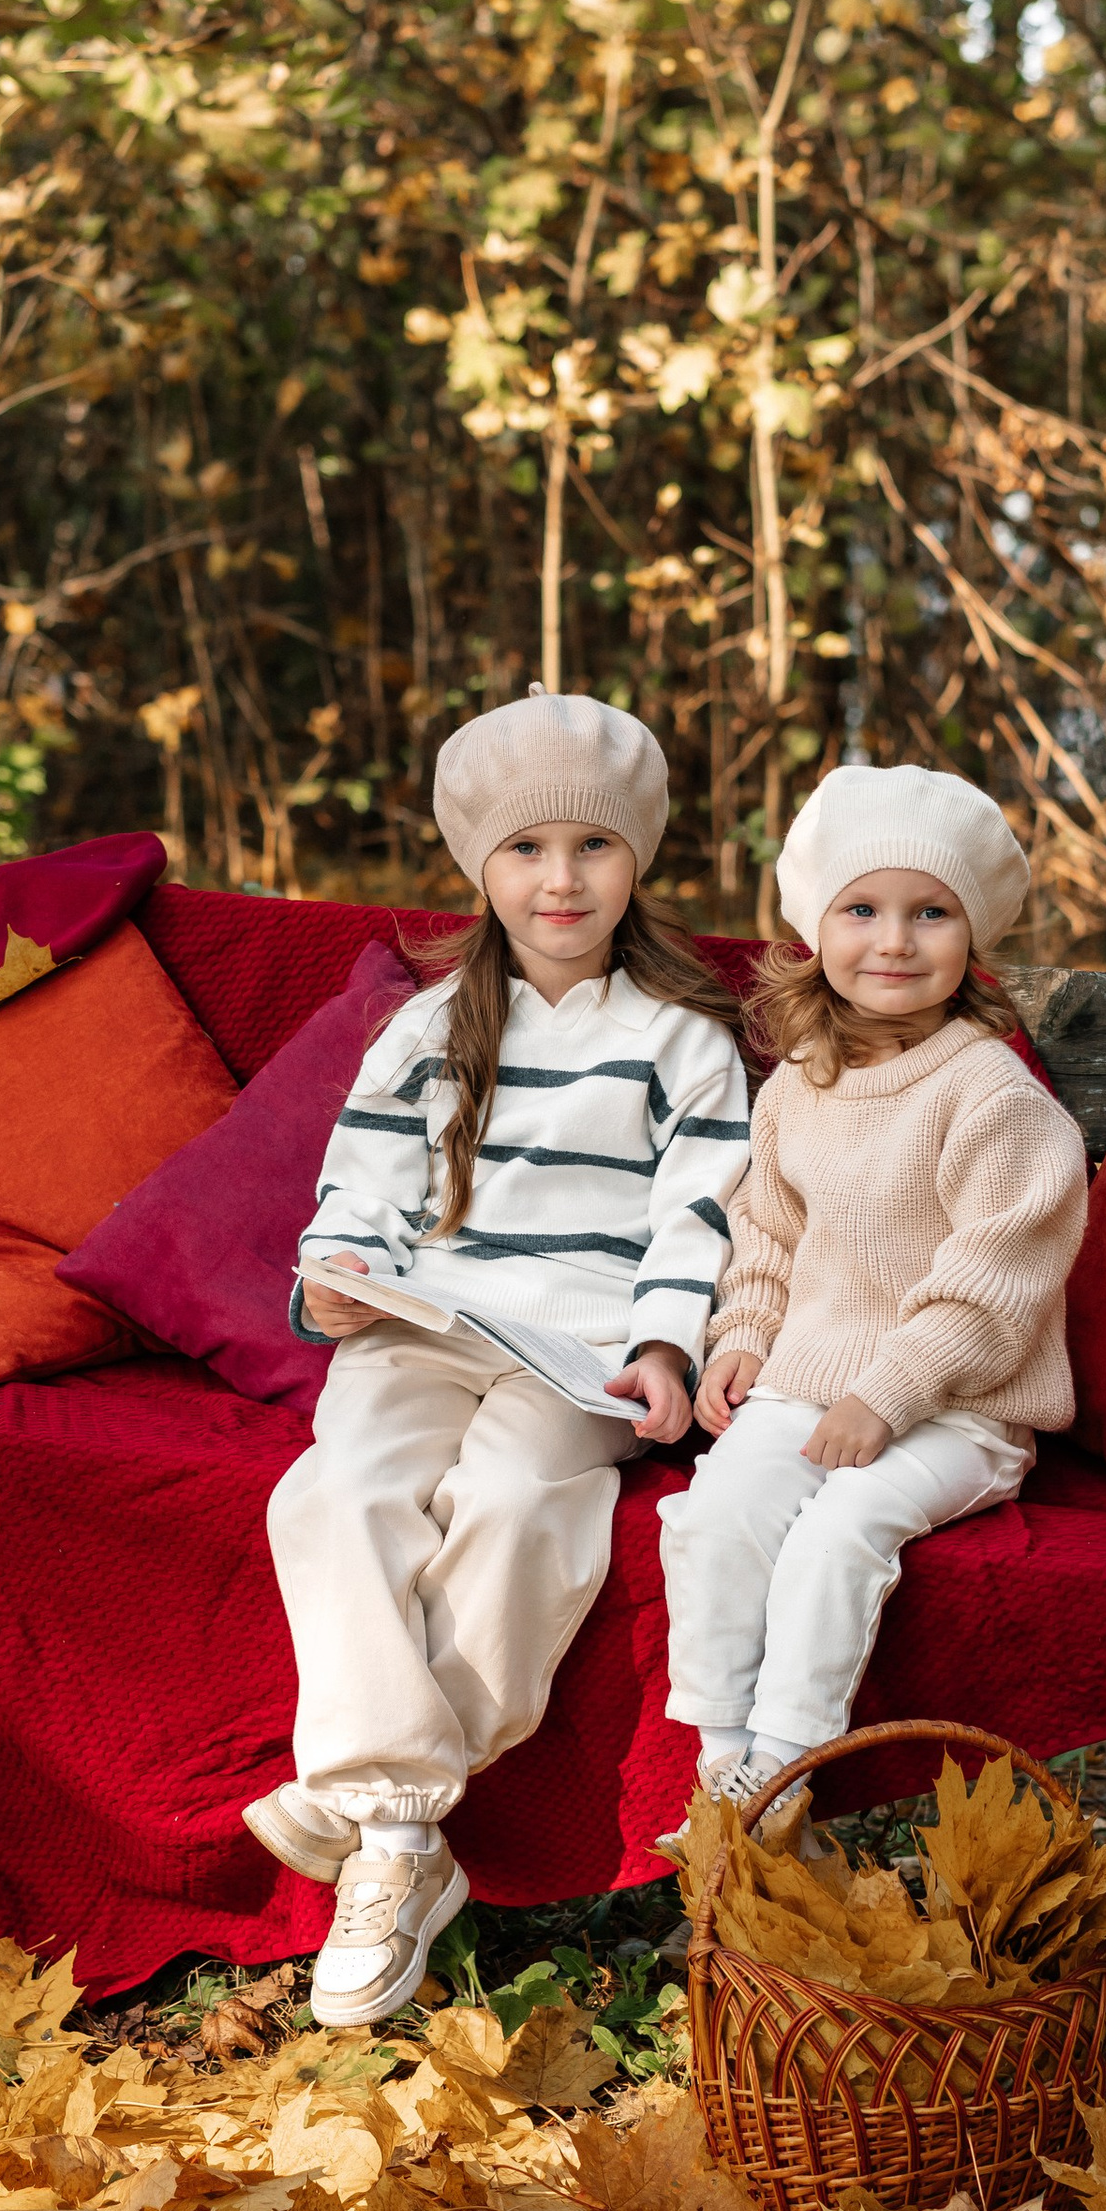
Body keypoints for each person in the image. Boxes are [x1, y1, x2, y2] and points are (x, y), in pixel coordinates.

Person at [250, 691, 751, 2024]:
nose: (561, 878)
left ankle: (369, 1814)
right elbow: (357, 1191)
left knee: (523, 1499)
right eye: (526, 849)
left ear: (637, 861)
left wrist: (661, 1344)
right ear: (482, 867)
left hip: (579, 1351)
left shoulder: (683, 1040)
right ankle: (406, 1837)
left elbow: (701, 1215)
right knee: (332, 1490)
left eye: (591, 847)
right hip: (427, 1328)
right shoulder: (426, 1031)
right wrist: (339, 1274)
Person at [658, 765, 1088, 1802]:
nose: (893, 941)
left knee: (838, 1531)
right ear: (816, 929)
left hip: (958, 1408)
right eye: (862, 909)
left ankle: (784, 1765)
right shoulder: (801, 1082)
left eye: (929, 913)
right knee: (720, 1508)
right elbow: (766, 1233)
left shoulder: (991, 1096)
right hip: (808, 1380)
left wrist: (884, 1396)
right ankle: (720, 1758)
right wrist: (744, 1341)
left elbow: (993, 1283)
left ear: (971, 938)